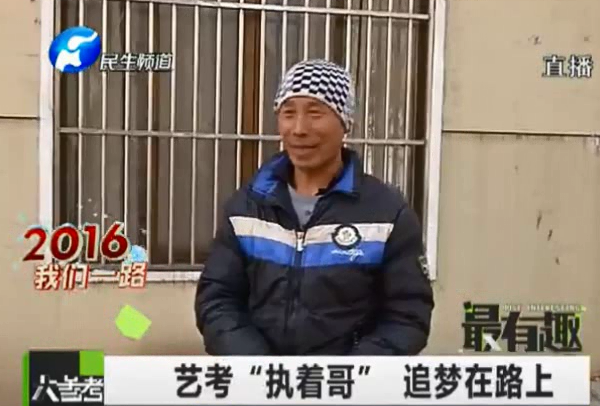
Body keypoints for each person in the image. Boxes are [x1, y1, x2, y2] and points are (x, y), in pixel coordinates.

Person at [194, 59, 434, 356]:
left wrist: (349, 374)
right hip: (261, 380)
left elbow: (408, 316)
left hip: (346, 381)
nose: (299, 129)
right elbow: (217, 300)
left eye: (315, 113)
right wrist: (259, 368)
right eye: (288, 113)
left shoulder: (387, 215)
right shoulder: (247, 207)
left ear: (345, 123)